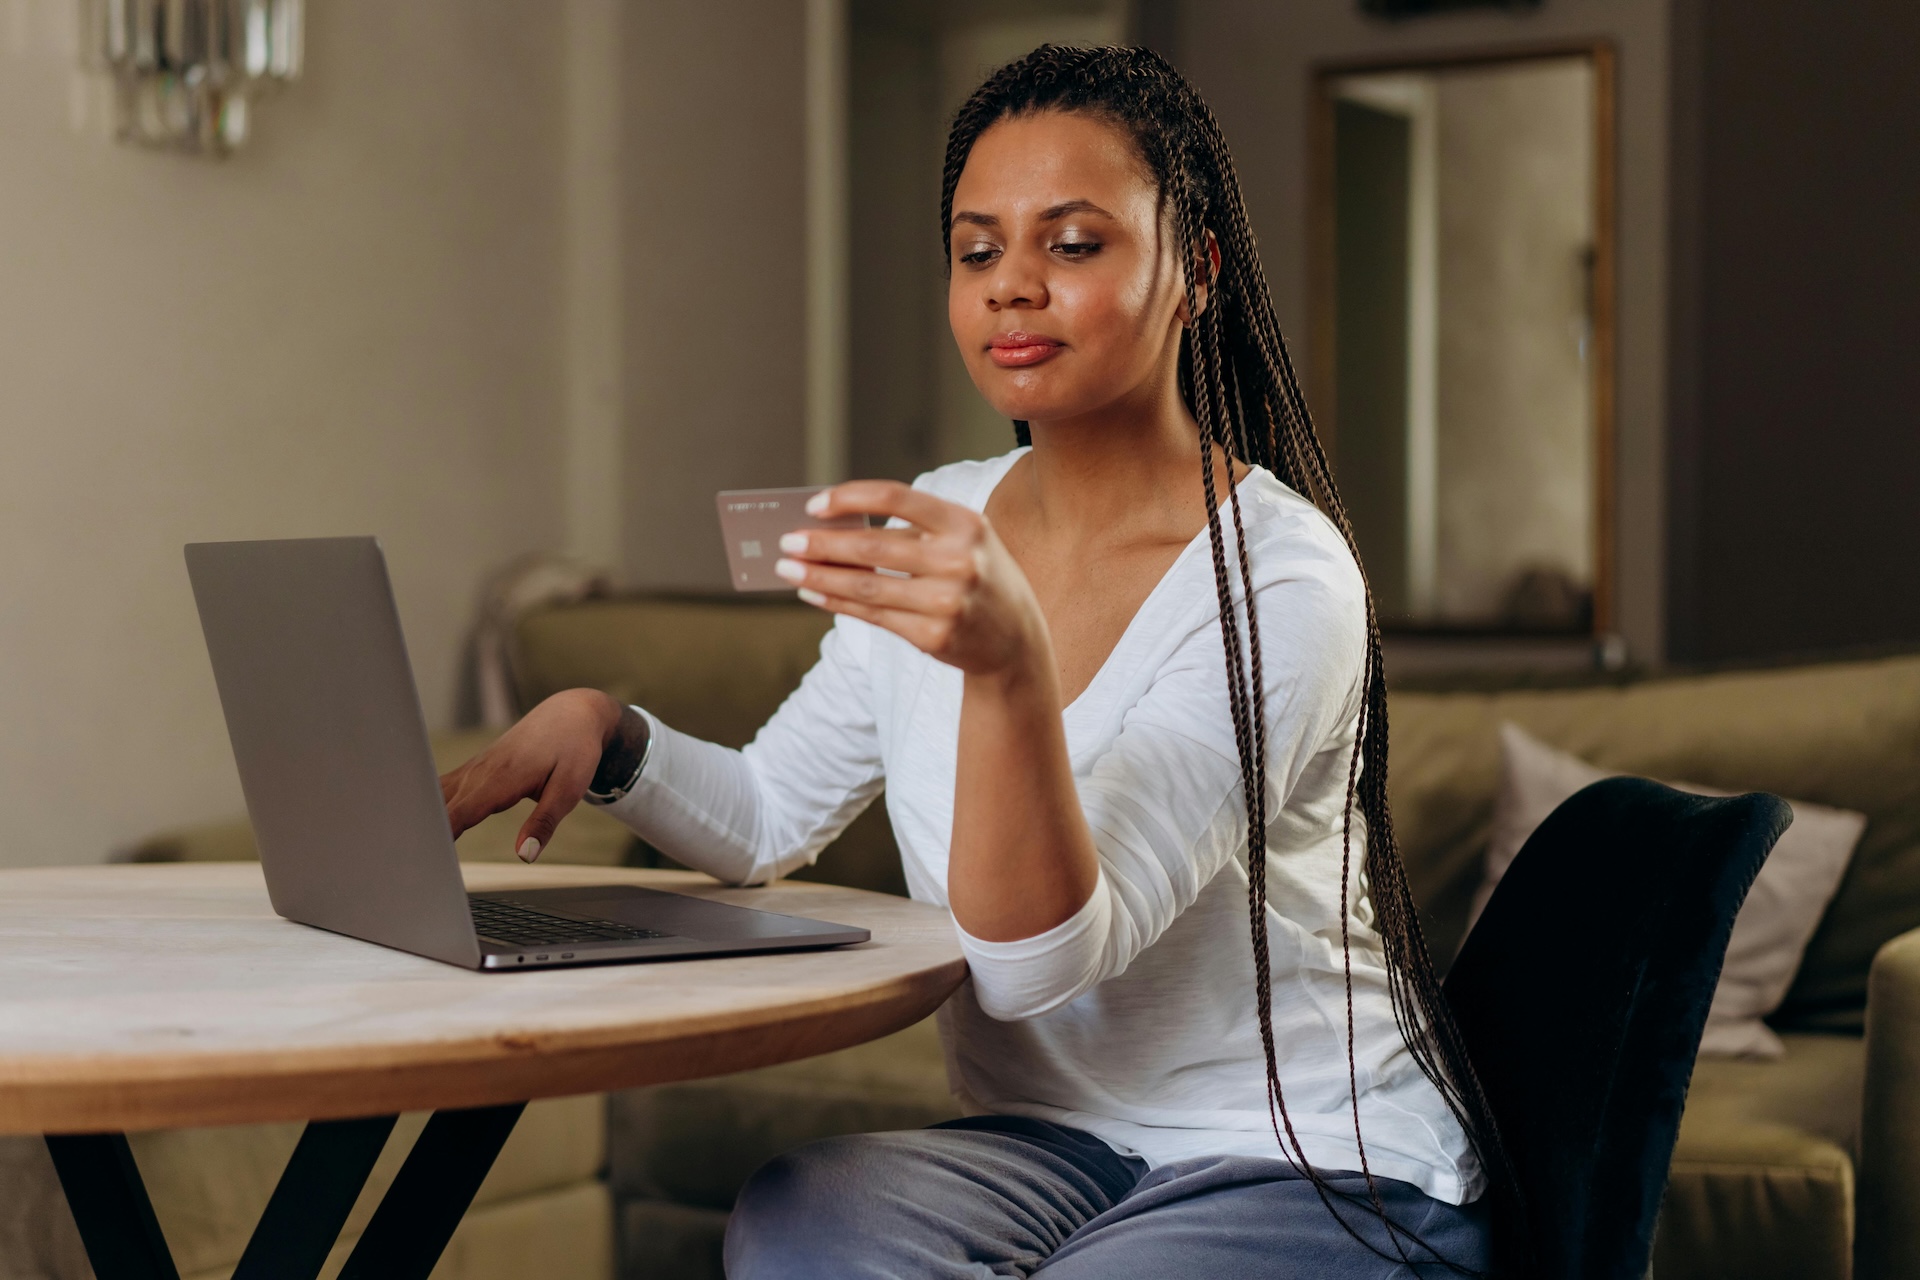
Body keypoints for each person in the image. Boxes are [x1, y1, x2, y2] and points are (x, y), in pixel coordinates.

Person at [442, 44, 1509, 1279]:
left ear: (1193, 271)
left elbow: (1043, 961)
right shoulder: (940, 522)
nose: (1013, 287)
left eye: (1073, 243)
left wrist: (1008, 672)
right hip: (1051, 1143)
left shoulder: (1284, 577)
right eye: (978, 249)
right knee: (797, 1220)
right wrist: (612, 734)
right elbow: (769, 814)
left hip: (1314, 1157)